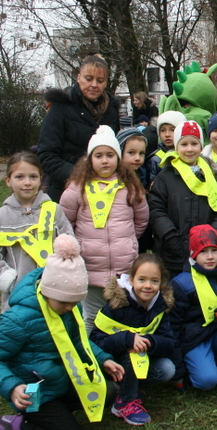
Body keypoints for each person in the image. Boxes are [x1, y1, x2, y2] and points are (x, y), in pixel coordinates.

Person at [0, 235, 124, 430]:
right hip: (37, 392)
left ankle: (58, 413)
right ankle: (8, 425)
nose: (71, 308)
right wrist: (12, 387)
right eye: (64, 302)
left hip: (63, 379)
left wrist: (102, 359)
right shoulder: (19, 320)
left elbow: (77, 340)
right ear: (47, 292)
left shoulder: (69, 308)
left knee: (109, 391)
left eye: (75, 302)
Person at [60, 126, 149, 333]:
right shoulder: (77, 187)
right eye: (98, 155)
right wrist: (79, 246)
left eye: (110, 155)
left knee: (121, 315)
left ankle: (119, 355)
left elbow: (141, 219)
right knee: (91, 316)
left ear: (118, 158)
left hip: (122, 267)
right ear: (89, 159)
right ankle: (92, 357)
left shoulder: (129, 186)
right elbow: (65, 221)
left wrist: (127, 241)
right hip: (90, 266)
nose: (105, 160)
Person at [0, 151, 73, 312]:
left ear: (41, 179)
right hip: (17, 297)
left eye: (33, 177)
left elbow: (69, 243)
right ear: (8, 181)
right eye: (19, 177)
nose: (27, 182)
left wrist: (65, 274)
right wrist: (10, 281)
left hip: (54, 293)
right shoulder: (0, 218)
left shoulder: (54, 210)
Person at [90, 254, 176, 425]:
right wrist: (127, 339)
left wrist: (149, 341)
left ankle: (134, 388)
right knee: (131, 351)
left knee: (167, 369)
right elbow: (95, 341)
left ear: (161, 284)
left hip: (141, 360)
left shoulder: (159, 306)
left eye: (154, 281)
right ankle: (124, 402)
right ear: (131, 280)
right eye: (142, 279)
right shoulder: (116, 305)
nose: (148, 286)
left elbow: (170, 343)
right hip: (113, 364)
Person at [169, 225, 217, 400]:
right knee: (206, 382)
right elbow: (172, 328)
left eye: (214, 250)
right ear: (193, 253)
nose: (211, 256)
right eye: (204, 251)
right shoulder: (181, 283)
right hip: (194, 339)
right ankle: (204, 364)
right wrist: (178, 370)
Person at [147, 120, 217, 277]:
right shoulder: (165, 176)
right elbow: (156, 209)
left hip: (205, 252)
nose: (189, 149)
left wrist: (214, 234)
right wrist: (171, 237)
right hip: (171, 254)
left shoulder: (211, 175)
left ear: (201, 146)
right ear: (176, 146)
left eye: (194, 144)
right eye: (184, 144)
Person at [38, 54, 121, 201]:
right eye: (89, 79)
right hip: (65, 191)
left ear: (106, 82)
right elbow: (47, 155)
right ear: (78, 77)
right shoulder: (61, 107)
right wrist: (79, 175)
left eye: (100, 80)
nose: (94, 85)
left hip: (104, 191)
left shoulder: (112, 110)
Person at [146, 110, 187, 185]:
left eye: (172, 130)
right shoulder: (156, 159)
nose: (167, 134)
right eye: (162, 130)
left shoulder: (189, 154)